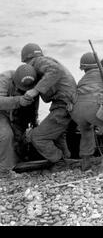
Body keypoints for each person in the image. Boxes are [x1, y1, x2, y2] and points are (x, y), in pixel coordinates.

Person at [20, 43, 77, 172]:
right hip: (65, 103)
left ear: (27, 59)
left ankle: (60, 161)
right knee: (57, 134)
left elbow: (55, 71)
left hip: (64, 104)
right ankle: (66, 159)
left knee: (37, 137)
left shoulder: (38, 62)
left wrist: (34, 91)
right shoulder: (46, 62)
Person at [0, 64, 39, 177]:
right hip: (1, 111)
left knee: (19, 137)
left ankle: (15, 160)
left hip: (14, 111)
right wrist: (19, 100)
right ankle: (4, 171)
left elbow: (34, 102)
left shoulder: (34, 83)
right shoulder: (4, 79)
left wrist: (33, 119)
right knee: (6, 135)